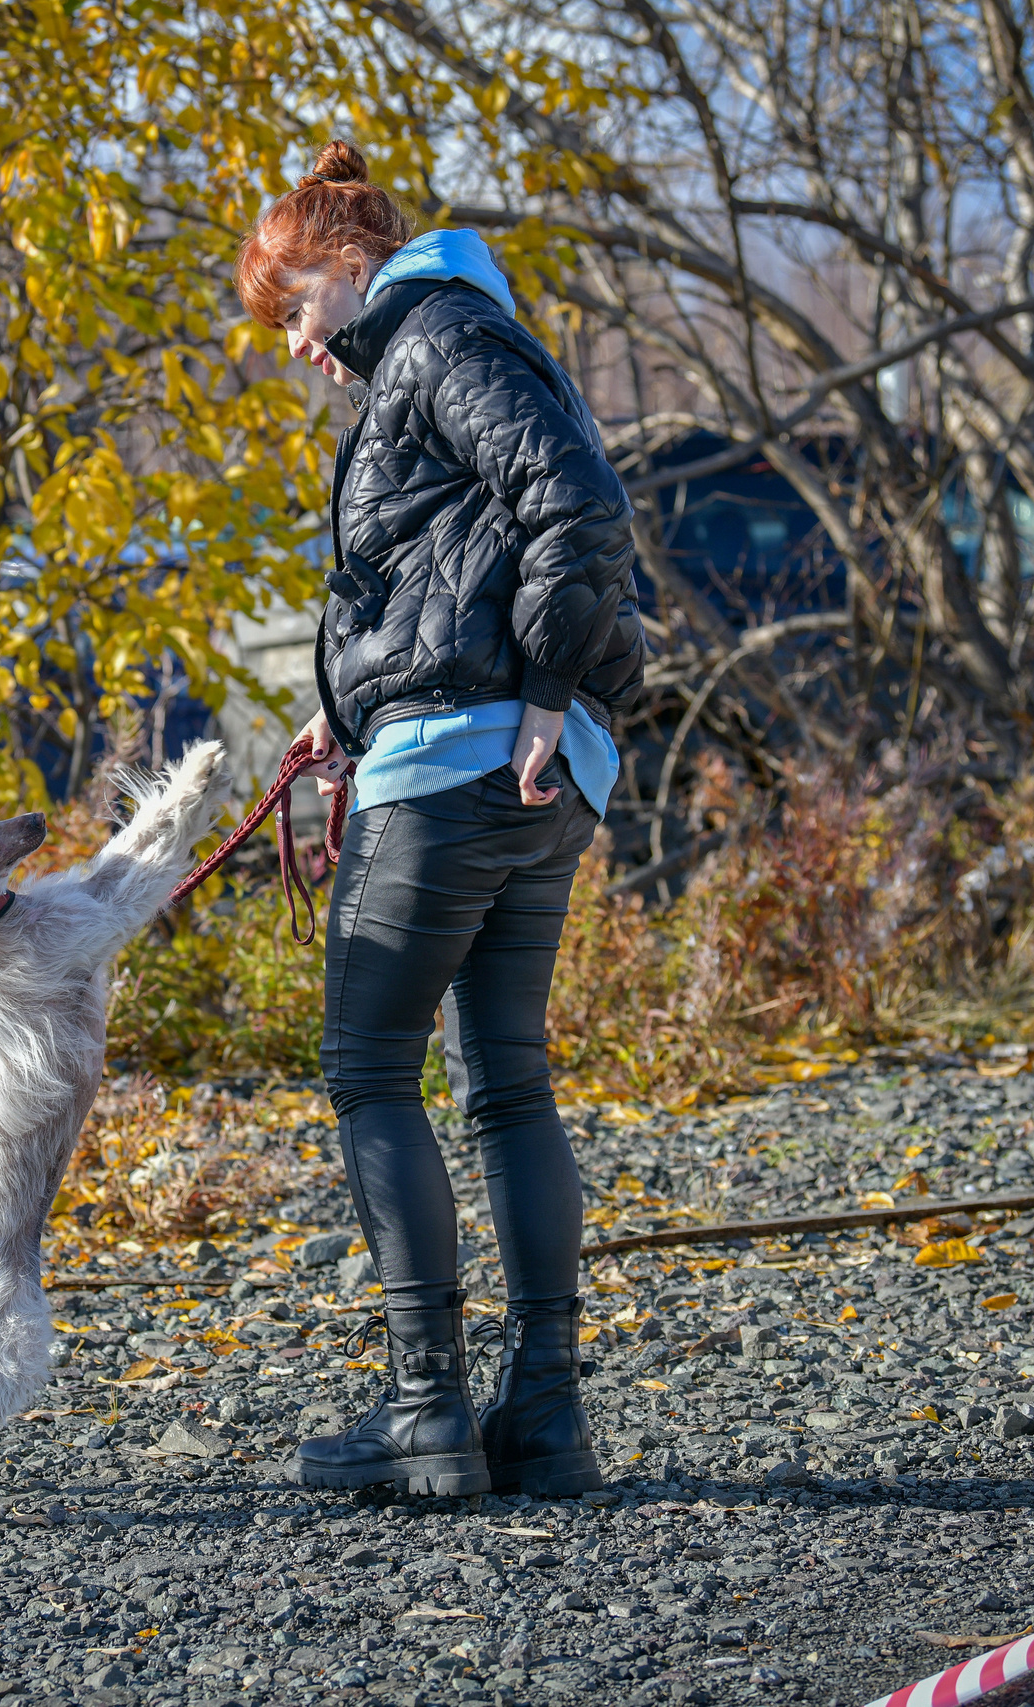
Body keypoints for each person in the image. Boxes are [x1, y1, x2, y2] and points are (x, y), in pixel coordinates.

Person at [234, 142, 645, 1495]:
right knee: (507, 1086)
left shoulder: (444, 340)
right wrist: (343, 718)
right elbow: (455, 567)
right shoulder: (448, 346)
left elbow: (579, 504)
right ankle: (542, 1418)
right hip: (520, 777)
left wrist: (538, 687)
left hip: (465, 771)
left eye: (294, 306)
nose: (294, 342)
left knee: (368, 1069)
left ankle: (427, 1411)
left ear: (349, 268)